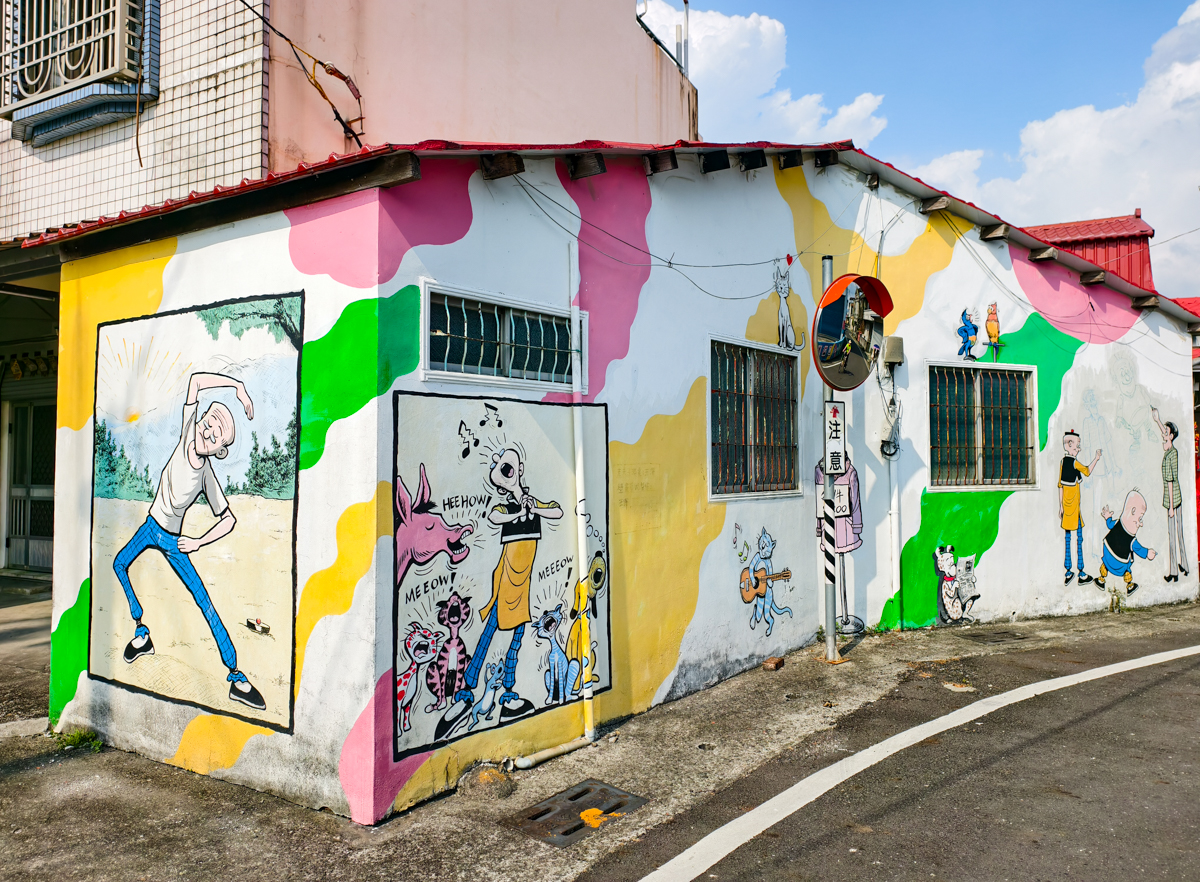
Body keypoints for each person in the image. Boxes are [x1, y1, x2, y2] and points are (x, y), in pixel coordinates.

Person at [113, 371, 265, 711]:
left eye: (216, 435)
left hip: (171, 540)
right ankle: (142, 633)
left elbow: (228, 520)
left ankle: (236, 676)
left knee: (203, 601)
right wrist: (238, 386)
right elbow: (195, 380)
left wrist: (196, 542)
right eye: (208, 422)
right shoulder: (186, 434)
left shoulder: (207, 475)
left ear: (221, 451)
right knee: (119, 563)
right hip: (150, 525)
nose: (208, 431)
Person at [438, 447, 561, 737]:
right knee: (490, 632)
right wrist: (520, 510)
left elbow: (557, 509)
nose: (505, 474)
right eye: (501, 471)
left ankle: (507, 693)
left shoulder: (533, 503)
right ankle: (467, 691)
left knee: (516, 638)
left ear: (519, 470)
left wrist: (535, 508)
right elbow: (494, 517)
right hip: (506, 581)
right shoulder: (507, 508)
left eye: (509, 468)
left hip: (524, 584)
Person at [1058, 430, 1101, 586]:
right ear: (1070, 445)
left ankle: (1069, 570)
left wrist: (1060, 507)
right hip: (1074, 509)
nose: (1079, 448)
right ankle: (1080, 571)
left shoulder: (1063, 462)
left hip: (1069, 507)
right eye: (1077, 445)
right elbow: (1087, 471)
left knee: (1068, 538)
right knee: (1079, 538)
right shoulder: (1074, 463)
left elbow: (1060, 485)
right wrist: (1096, 458)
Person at [1151, 407, 1189, 582]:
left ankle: (1174, 571)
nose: (1163, 434)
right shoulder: (1170, 451)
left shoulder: (1171, 455)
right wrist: (1158, 420)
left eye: (1166, 433)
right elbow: (1164, 432)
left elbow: (1171, 481)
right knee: (1178, 533)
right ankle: (1185, 567)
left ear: (1171, 436)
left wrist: (1172, 507)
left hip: (1173, 499)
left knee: (1174, 535)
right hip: (1175, 498)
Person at [1097, 490, 1156, 598]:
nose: (1141, 524)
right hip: (1120, 565)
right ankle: (1129, 585)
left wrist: (1107, 517)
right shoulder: (1131, 539)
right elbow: (1139, 549)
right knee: (1129, 559)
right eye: (1140, 518)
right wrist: (1148, 553)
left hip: (1107, 555)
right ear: (1133, 511)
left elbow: (1109, 524)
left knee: (1108, 560)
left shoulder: (1117, 523)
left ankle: (1101, 579)